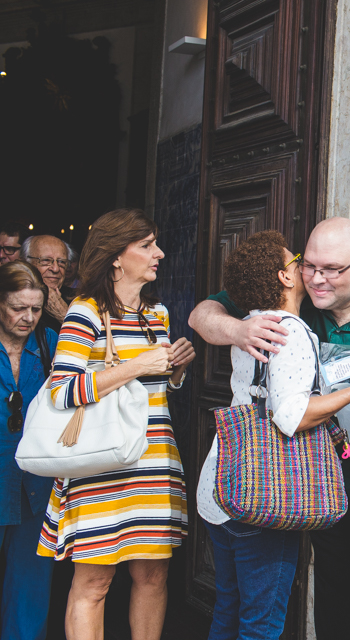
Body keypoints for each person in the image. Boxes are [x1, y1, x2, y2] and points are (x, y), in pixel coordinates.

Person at [188, 216, 350, 639]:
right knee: (335, 616)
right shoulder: (287, 296)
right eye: (309, 265)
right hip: (319, 491)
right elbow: (202, 314)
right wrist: (240, 329)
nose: (317, 279)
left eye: (332, 270)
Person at [37, 209, 194, 640]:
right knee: (94, 584)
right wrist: (136, 364)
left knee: (153, 579)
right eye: (146, 245)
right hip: (99, 466)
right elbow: (62, 391)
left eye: (155, 243)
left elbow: (155, 389)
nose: (158, 253)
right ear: (115, 257)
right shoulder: (84, 314)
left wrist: (174, 370)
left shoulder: (156, 314)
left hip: (153, 461)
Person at [0, 261, 58, 640]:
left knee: (31, 585)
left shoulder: (50, 342)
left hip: (35, 481)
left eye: (36, 309)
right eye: (18, 308)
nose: (28, 317)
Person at [21, 234, 74, 333]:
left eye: (62, 262)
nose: (56, 268)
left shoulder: (78, 300)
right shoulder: (8, 299)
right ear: (24, 263)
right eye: (45, 260)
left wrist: (63, 314)